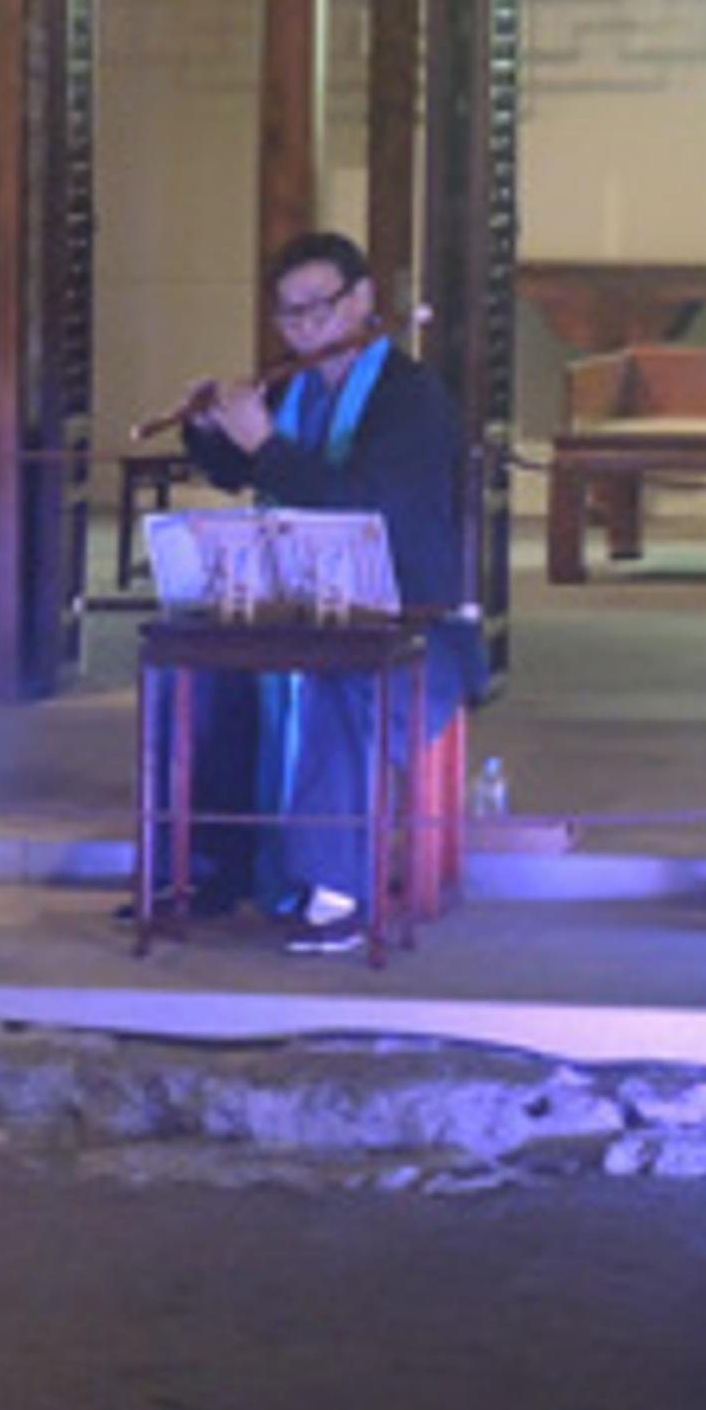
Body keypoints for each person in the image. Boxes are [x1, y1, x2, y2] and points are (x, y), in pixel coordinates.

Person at [172, 232, 477, 953]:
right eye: (289, 314)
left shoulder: (411, 399)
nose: (305, 326)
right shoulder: (296, 391)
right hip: (301, 612)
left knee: (341, 684)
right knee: (192, 671)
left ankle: (339, 892)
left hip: (413, 628)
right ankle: (209, 870)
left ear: (364, 301)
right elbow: (247, 474)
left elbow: (353, 503)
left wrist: (263, 444)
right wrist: (207, 432)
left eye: (320, 307)